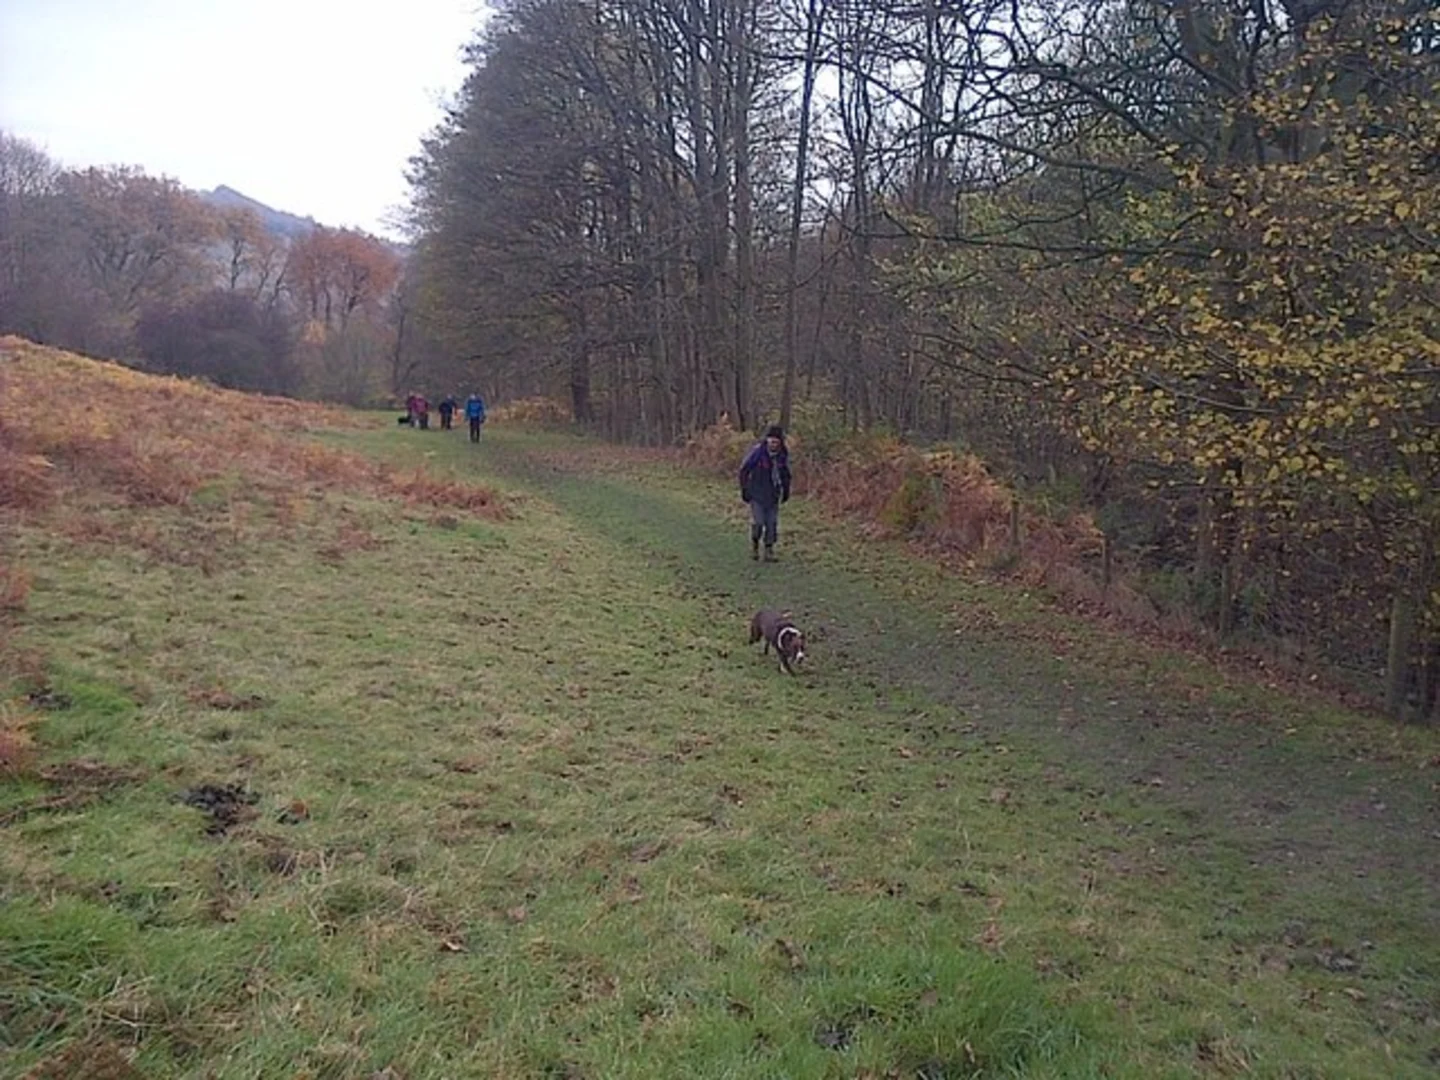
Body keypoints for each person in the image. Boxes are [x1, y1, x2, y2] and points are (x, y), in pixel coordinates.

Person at [738, 424, 792, 562]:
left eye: (776, 442)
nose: (774, 444)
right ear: (767, 440)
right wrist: (744, 489)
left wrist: (786, 490)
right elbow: (744, 470)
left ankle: (769, 550)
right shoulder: (757, 453)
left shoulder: (782, 455)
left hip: (773, 493)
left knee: (772, 523)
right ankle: (755, 544)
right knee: (759, 522)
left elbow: (786, 474)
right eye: (771, 441)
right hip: (757, 492)